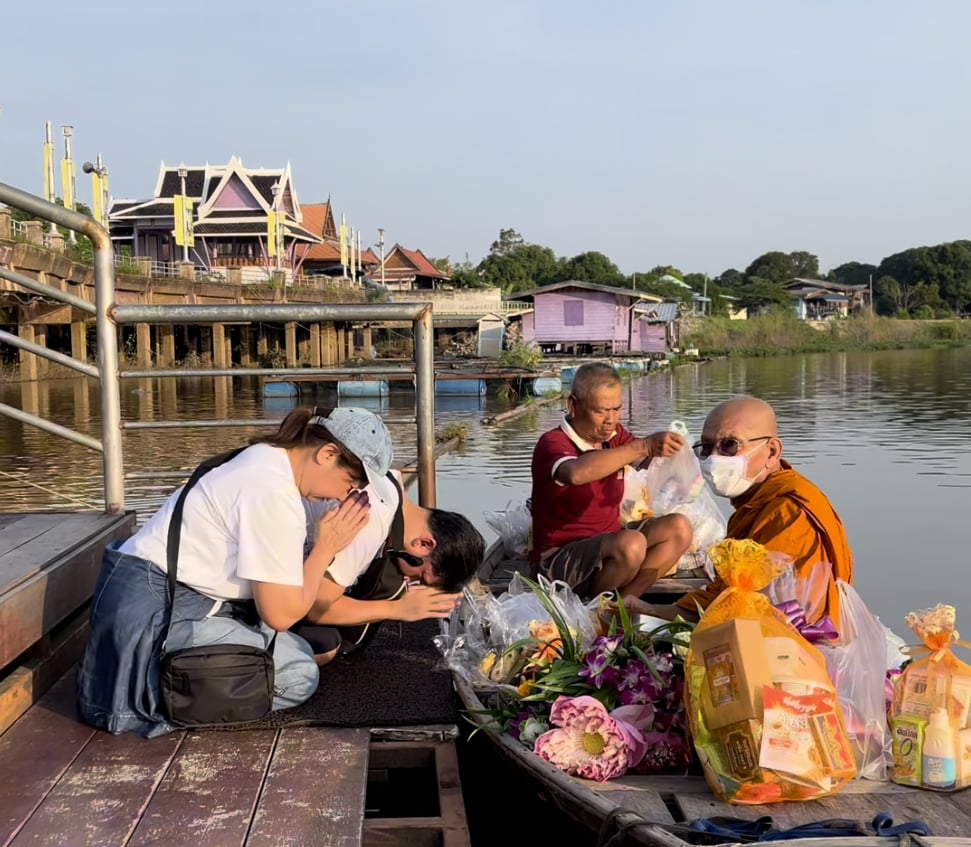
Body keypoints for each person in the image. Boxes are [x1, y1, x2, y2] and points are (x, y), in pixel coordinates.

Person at [77, 406, 392, 737]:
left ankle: (179, 679)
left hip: (146, 602)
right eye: (350, 482)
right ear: (327, 454)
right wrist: (325, 549)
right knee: (299, 675)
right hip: (157, 619)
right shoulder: (273, 494)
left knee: (299, 649)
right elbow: (281, 616)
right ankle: (159, 695)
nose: (344, 495)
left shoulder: (265, 456)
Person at [637, 394, 854, 627]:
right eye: (707, 447)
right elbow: (728, 595)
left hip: (792, 636)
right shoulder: (755, 503)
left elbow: (747, 606)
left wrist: (651, 612)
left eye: (730, 445)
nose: (714, 457)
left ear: (772, 452)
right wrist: (649, 610)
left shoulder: (789, 513)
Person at [529, 362, 693, 604]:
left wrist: (674, 451)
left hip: (608, 544)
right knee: (631, 545)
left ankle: (621, 605)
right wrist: (643, 445)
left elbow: (647, 461)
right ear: (573, 405)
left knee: (679, 527)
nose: (611, 420)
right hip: (557, 560)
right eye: (601, 411)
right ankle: (593, 609)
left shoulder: (614, 436)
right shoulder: (553, 443)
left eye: (617, 409)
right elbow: (576, 473)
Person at [295, 466, 486, 664]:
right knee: (325, 647)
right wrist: (397, 609)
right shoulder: (368, 525)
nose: (409, 580)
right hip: (274, 577)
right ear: (424, 544)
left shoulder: (392, 484)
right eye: (420, 576)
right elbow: (315, 609)